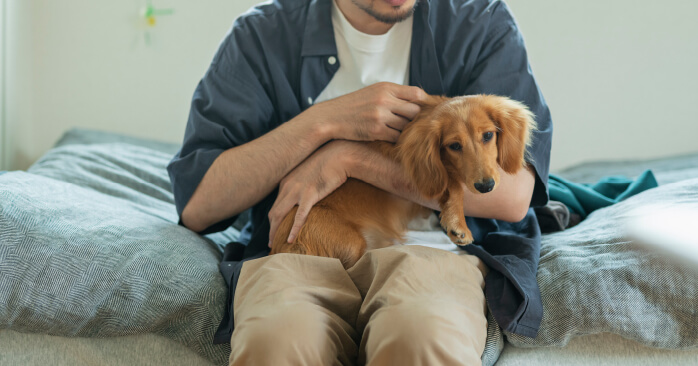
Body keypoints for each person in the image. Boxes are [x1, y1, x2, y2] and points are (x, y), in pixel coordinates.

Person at [168, 0, 553, 364]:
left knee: (420, 336)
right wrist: (323, 122)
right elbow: (200, 205)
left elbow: (514, 196)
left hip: (436, 256)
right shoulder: (261, 34)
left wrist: (348, 158)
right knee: (278, 339)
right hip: (299, 250)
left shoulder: (478, 21)